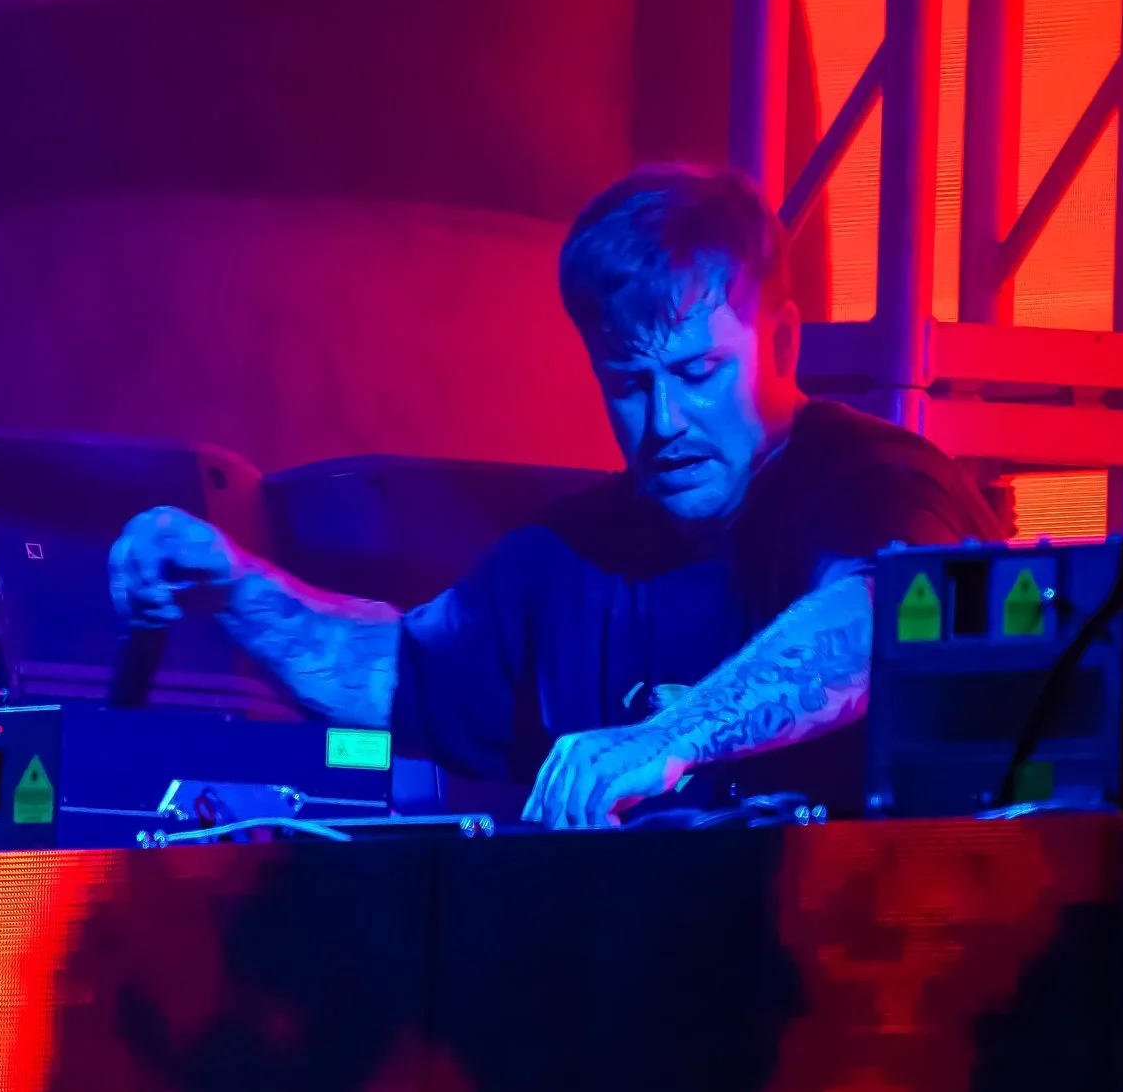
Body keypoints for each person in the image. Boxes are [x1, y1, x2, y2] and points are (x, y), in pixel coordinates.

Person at [110, 165, 1003, 828]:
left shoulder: (876, 482)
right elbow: (398, 674)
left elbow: (888, 618)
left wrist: (667, 738)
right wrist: (233, 586)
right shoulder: (564, 561)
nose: (665, 421)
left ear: (782, 344)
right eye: (628, 383)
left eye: (699, 372)